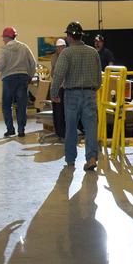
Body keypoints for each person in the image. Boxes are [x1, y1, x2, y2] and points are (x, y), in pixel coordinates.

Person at [52, 21, 103, 172]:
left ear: (69, 36)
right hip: (89, 94)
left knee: (71, 128)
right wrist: (92, 89)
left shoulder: (66, 53)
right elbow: (99, 78)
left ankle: (70, 160)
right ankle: (92, 158)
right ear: (81, 35)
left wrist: (54, 93)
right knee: (91, 127)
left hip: (71, 95)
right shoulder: (93, 52)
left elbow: (59, 74)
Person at [0, 26, 37, 137]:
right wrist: (30, 76)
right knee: (21, 105)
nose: (3, 40)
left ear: (6, 37)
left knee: (6, 105)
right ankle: (21, 130)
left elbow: (0, 66)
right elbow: (33, 63)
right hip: (23, 78)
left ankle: (10, 129)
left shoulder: (4, 49)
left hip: (8, 79)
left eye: (3, 37)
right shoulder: (24, 47)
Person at [50, 37, 68, 142]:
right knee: (57, 111)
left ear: (64, 47)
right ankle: (59, 132)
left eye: (60, 47)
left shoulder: (68, 56)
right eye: (57, 48)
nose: (58, 49)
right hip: (58, 86)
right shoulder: (54, 57)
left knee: (64, 112)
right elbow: (53, 72)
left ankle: (65, 133)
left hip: (65, 87)